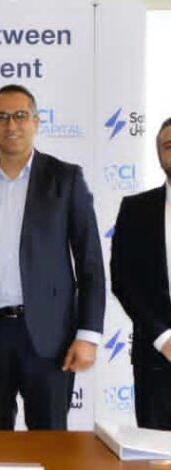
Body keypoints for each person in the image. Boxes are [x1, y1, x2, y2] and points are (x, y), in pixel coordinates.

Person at [0, 84, 105, 430]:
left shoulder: (65, 178)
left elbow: (90, 262)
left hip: (50, 337)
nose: (11, 125)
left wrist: (88, 334)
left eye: (20, 116)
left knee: (51, 442)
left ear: (36, 121)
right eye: (1, 117)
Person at [111, 117, 171, 430]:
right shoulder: (136, 209)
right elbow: (123, 280)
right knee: (155, 450)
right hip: (155, 358)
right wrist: (163, 338)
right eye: (169, 146)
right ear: (159, 155)